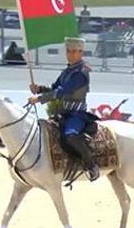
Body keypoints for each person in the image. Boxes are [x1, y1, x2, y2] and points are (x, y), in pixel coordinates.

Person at [28, 37, 99, 181]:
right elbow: (54, 88)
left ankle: (91, 165)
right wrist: (39, 89)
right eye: (68, 51)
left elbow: (63, 91)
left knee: (71, 135)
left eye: (74, 51)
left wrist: (40, 99)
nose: (71, 54)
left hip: (77, 114)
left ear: (81, 52)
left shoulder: (81, 72)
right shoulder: (67, 71)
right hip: (64, 113)